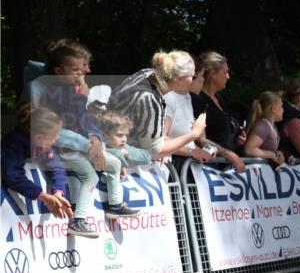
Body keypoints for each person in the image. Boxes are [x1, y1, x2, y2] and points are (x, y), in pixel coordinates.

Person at [31, 42, 138, 236]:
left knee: (113, 163)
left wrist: (96, 140)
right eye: (75, 71)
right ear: (58, 70)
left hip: (79, 143)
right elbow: (43, 123)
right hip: (60, 145)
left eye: (82, 71)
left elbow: (84, 119)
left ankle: (115, 206)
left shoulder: (76, 90)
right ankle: (79, 220)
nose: (81, 75)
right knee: (91, 174)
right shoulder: (40, 86)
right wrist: (92, 146)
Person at [108, 51, 208, 161]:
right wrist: (193, 134)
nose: (194, 80)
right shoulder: (151, 100)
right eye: (192, 76)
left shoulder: (146, 73)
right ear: (179, 79)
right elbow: (154, 151)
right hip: (115, 154)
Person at [1, 106, 73, 219]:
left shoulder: (43, 146)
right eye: (54, 136)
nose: (57, 138)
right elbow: (11, 174)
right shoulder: (14, 144)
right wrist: (42, 196)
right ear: (39, 138)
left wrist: (58, 192)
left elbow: (57, 168)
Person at [190, 51, 246, 172]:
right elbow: (201, 140)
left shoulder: (221, 99)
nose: (228, 77)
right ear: (213, 74)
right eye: (225, 72)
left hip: (228, 168)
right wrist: (229, 155)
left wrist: (237, 140)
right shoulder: (198, 100)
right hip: (211, 168)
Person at [163, 59, 215, 163]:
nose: (203, 80)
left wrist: (205, 150)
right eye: (202, 75)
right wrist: (192, 151)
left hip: (185, 166)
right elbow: (161, 140)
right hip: (171, 167)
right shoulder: (169, 98)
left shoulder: (188, 98)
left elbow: (188, 141)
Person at [243, 91, 286, 168]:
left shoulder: (273, 127)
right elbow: (249, 150)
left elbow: (266, 148)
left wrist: (277, 153)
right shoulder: (263, 126)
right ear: (274, 109)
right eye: (281, 106)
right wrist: (271, 155)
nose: (283, 110)